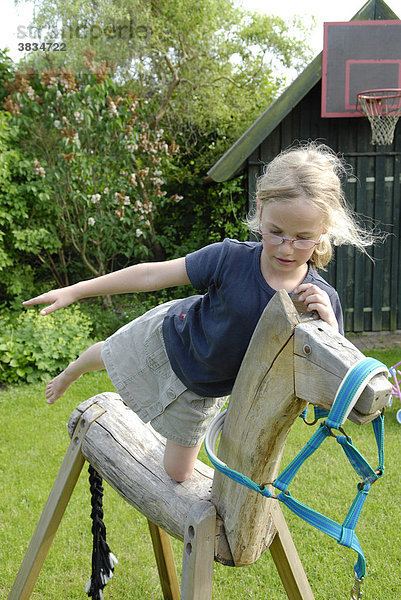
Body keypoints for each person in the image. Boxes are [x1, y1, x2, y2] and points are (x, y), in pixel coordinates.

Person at [23, 142, 375, 483]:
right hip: (169, 339)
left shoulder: (318, 300)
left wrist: (328, 326)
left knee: (178, 474)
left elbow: (333, 378)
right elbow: (151, 274)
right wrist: (75, 290)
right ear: (260, 210)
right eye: (275, 232)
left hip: (205, 388)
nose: (286, 247)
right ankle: (75, 368)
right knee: (108, 355)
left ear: (323, 230)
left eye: (302, 237)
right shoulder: (229, 258)